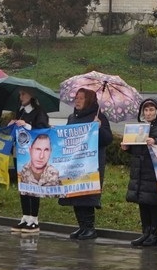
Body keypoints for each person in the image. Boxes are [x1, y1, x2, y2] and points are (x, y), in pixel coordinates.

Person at [125, 97, 157, 248]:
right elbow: (137, 150)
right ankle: (145, 233)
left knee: (153, 204)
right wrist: (127, 148)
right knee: (142, 203)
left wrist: (156, 142)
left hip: (155, 173)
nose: (148, 113)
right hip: (140, 172)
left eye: (151, 110)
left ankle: (154, 235)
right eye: (146, 110)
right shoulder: (139, 128)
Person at [62, 87, 112, 241]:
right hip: (74, 164)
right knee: (75, 194)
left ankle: (90, 227)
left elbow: (107, 139)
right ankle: (82, 226)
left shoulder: (98, 117)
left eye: (81, 98)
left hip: (91, 165)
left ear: (89, 100)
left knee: (87, 195)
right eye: (76, 98)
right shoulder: (72, 117)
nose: (77, 100)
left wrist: (98, 128)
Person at [10, 89, 51, 235]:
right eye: (20, 94)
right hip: (19, 154)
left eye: (23, 94)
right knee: (23, 185)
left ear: (32, 95)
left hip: (31, 156)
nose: (20, 96)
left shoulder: (39, 112)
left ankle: (34, 219)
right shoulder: (20, 111)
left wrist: (27, 126)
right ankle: (25, 216)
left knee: (33, 185)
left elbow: (43, 131)